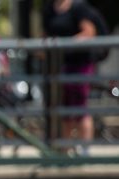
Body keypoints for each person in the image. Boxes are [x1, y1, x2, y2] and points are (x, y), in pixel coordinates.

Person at [42, 0, 101, 153]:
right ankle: (65, 149)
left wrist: (64, 44)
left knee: (80, 106)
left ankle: (85, 150)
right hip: (59, 65)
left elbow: (89, 32)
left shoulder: (79, 7)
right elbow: (45, 35)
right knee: (64, 108)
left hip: (79, 63)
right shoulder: (49, 9)